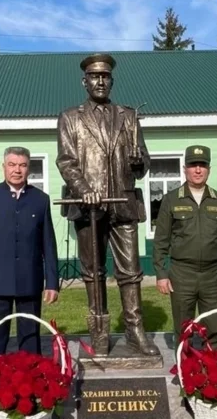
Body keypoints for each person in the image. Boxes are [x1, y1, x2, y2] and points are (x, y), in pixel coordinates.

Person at [56, 53, 159, 356]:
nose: (100, 81)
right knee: (93, 271)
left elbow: (143, 166)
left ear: (112, 80)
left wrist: (140, 160)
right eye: (94, 76)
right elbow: (66, 160)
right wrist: (84, 188)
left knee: (131, 271)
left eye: (105, 76)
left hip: (123, 203)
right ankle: (98, 331)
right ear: (84, 81)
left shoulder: (128, 116)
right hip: (89, 207)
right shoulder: (70, 118)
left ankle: (134, 330)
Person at [0, 146, 59, 361]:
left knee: (30, 338)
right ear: (4, 167)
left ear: (29, 169)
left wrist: (52, 283)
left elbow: (48, 243)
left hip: (30, 280)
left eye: (22, 165)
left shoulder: (41, 199)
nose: (17, 170)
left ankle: (31, 384)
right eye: (12, 165)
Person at [153, 145, 217, 350]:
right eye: (193, 165)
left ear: (209, 169)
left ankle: (214, 377)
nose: (198, 170)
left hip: (214, 275)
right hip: (183, 274)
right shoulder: (172, 199)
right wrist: (161, 274)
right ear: (185, 169)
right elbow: (161, 240)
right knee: (184, 331)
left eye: (202, 165)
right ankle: (186, 375)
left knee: (214, 332)